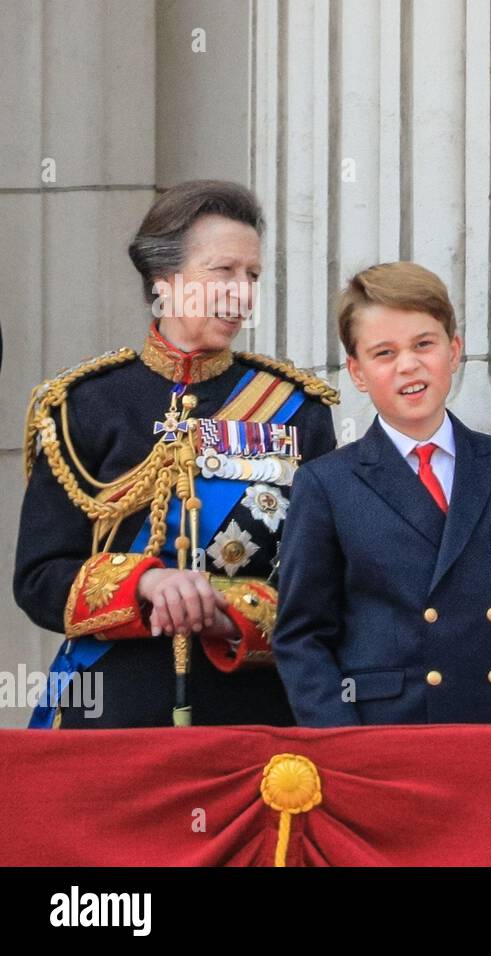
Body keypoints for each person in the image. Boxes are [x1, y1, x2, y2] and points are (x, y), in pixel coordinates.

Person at [16, 180, 338, 728]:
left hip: (249, 720)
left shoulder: (297, 409)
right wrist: (144, 582)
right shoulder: (82, 405)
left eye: (252, 275)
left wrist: (228, 612)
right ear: (164, 281)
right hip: (113, 714)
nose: (243, 293)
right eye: (223, 272)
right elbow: (40, 579)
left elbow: (324, 588)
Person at [272, 262, 491, 726]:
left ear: (454, 350)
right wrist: (344, 748)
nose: (408, 365)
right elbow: (302, 637)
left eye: (423, 344)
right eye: (384, 353)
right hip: (386, 736)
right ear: (356, 371)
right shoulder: (327, 484)